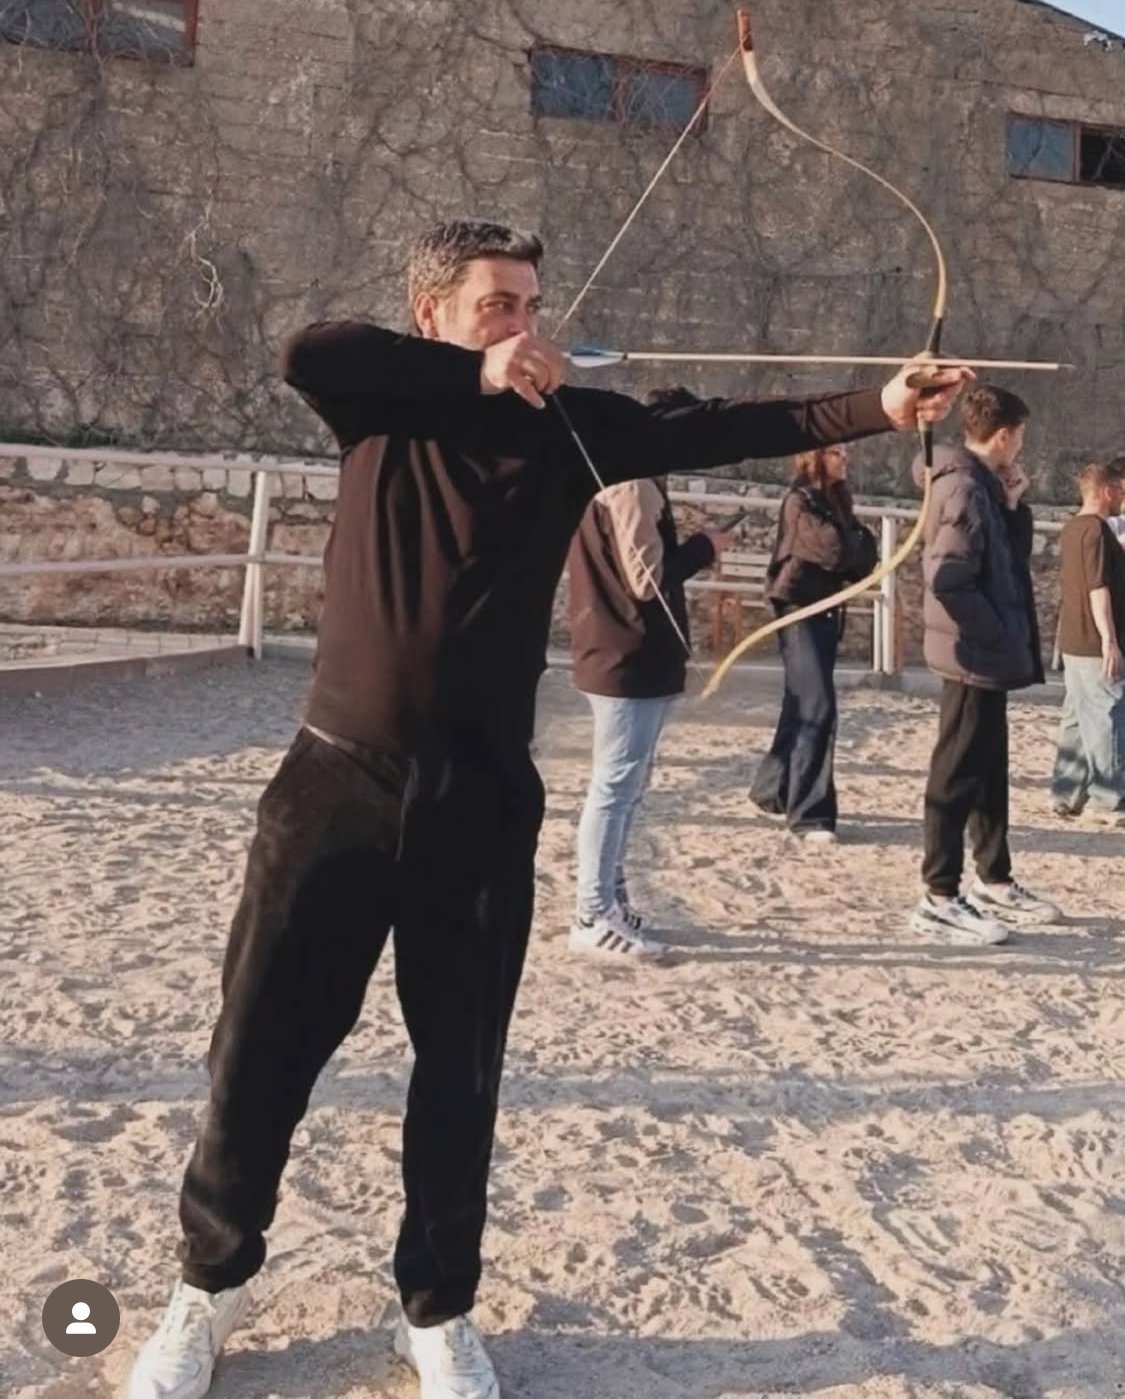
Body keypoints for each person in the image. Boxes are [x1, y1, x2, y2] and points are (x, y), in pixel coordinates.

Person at [125, 217, 968, 1399]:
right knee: (261, 1046)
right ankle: (210, 1284)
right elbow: (308, 347)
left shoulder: (571, 427)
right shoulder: (380, 406)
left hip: (481, 796)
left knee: (460, 1066)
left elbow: (724, 426)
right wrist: (474, 373)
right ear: (434, 314)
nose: (526, 325)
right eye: (498, 305)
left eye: (532, 304)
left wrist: (878, 404)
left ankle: (437, 1308)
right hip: (336, 784)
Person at [567, 387, 738, 957]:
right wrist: (704, 546)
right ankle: (592, 913)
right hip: (626, 655)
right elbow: (646, 580)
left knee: (625, 787)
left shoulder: (620, 476)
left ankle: (608, 901)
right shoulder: (632, 484)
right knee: (614, 788)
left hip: (623, 652)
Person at [910, 386, 1063, 947]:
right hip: (971, 655)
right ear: (1003, 435)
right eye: (1018, 437)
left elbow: (1007, 561)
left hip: (984, 656)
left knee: (988, 767)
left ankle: (993, 876)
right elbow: (948, 579)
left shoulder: (984, 488)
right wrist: (994, 633)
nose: (1020, 446)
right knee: (954, 774)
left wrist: (1013, 504)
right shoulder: (964, 489)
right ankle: (939, 896)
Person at [749, 445, 877, 840]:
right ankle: (810, 815)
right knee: (817, 705)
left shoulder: (834, 501)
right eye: (837, 452)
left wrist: (852, 542)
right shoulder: (799, 501)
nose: (845, 459)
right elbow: (833, 549)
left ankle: (772, 790)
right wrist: (852, 542)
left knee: (802, 702)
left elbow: (865, 553)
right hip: (799, 610)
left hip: (824, 609)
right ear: (815, 457)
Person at [1051, 456, 1125, 824]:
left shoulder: (1072, 529)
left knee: (1077, 719)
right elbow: (1098, 588)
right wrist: (1109, 639)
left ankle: (1066, 793)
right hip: (1094, 641)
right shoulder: (1096, 531)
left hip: (1074, 638)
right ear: (1107, 491)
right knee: (1107, 717)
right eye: (1120, 490)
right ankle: (1107, 799)